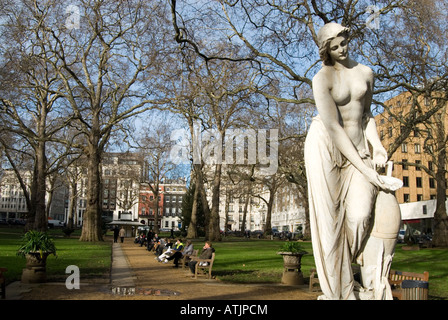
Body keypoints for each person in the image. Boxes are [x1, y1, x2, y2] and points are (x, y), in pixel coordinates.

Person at [304, 23, 395, 300]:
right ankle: (341, 288)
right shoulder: (322, 79)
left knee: (359, 216)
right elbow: (333, 127)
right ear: (326, 51)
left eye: (343, 42)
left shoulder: (366, 73)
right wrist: (364, 170)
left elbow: (366, 116)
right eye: (335, 47)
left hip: (360, 151)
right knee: (330, 224)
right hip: (328, 151)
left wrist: (377, 148)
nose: (342, 49)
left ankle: (345, 271)